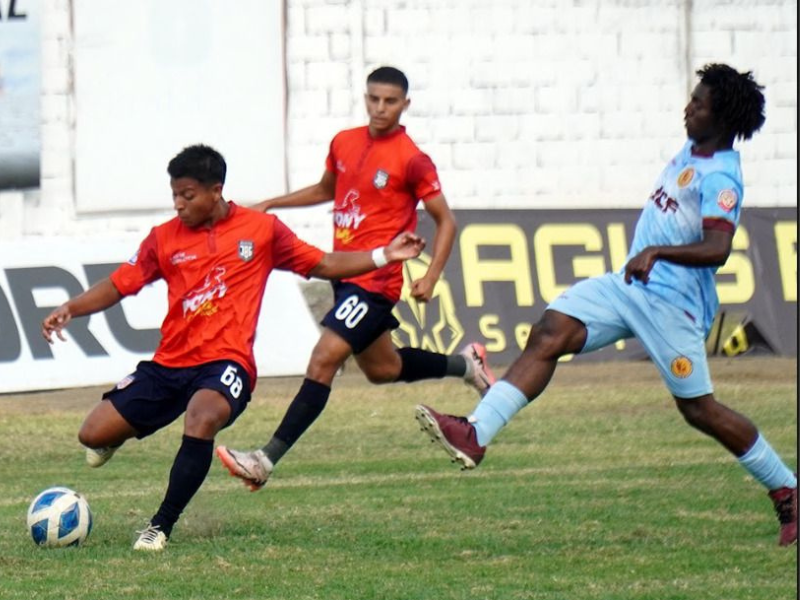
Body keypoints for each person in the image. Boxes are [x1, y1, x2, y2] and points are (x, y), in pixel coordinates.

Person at [414, 64, 798, 546]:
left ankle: (787, 486)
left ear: (720, 118)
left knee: (699, 410)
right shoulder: (693, 149)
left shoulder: (722, 175)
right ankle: (476, 432)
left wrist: (657, 251)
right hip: (630, 286)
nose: (688, 107)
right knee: (550, 332)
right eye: (692, 98)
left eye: (699, 103)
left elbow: (718, 249)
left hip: (671, 307)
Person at [40, 144, 425, 551]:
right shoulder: (163, 239)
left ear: (216, 190)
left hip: (227, 363)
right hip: (169, 364)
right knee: (91, 433)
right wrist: (71, 308)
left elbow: (325, 264)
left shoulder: (261, 229)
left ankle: (160, 525)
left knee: (202, 417)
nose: (179, 205)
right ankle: (120, 433)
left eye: (187, 196)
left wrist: (385, 254)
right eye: (174, 195)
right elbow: (118, 284)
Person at [216, 66, 495, 490]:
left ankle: (264, 459)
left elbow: (446, 221)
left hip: (377, 281)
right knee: (384, 368)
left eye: (390, 101)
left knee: (324, 358)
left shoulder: (412, 159)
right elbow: (328, 187)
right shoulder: (344, 142)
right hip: (345, 275)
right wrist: (276, 201)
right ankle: (466, 364)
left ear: (405, 104)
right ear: (365, 98)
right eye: (373, 99)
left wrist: (432, 276)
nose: (380, 108)